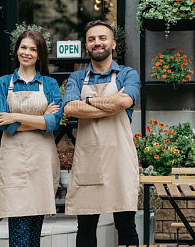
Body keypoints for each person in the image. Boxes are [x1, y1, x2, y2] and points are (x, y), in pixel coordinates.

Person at [63, 20, 140, 247]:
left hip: (119, 160)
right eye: (92, 39)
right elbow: (69, 108)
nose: (97, 43)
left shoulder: (128, 74)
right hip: (89, 161)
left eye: (102, 38)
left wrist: (87, 101)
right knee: (85, 227)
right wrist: (111, 103)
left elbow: (126, 101)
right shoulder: (77, 78)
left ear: (113, 44)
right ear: (87, 46)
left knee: (126, 226)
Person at [0, 30, 63, 247]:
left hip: (41, 160)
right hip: (13, 159)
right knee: (18, 219)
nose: (27, 52)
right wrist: (40, 119)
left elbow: (54, 123)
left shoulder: (50, 84)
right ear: (16, 51)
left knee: (35, 223)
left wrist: (15, 115)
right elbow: (3, 124)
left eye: (33, 49)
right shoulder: (4, 83)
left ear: (40, 55)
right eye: (23, 47)